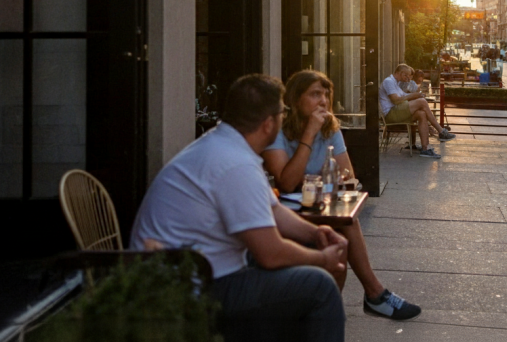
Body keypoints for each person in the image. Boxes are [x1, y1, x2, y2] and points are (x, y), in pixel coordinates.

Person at [130, 74, 348, 342]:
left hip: (198, 272)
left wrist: (316, 234)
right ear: (268, 124)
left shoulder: (225, 146)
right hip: (188, 290)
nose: (284, 117)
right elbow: (270, 253)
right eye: (282, 111)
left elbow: (275, 211)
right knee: (320, 287)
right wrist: (322, 260)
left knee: (309, 256)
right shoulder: (235, 163)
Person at [262, 70, 421, 321]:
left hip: (320, 207)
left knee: (344, 228)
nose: (323, 101)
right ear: (294, 99)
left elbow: (347, 174)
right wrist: (309, 134)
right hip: (285, 212)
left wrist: (339, 179)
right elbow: (287, 182)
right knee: (344, 229)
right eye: (315, 94)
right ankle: (372, 295)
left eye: (326, 95)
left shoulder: (330, 128)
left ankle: (332, 313)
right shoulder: (277, 131)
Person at [380, 64, 456, 159]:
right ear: (400, 73)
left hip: (397, 112)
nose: (408, 77)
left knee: (421, 114)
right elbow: (395, 100)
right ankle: (441, 131)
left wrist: (417, 95)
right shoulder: (389, 81)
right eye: (406, 75)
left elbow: (404, 96)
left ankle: (425, 148)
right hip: (391, 114)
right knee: (422, 102)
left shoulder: (395, 83)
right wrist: (414, 96)